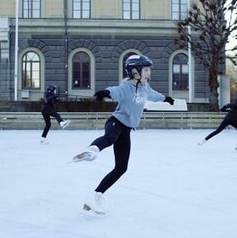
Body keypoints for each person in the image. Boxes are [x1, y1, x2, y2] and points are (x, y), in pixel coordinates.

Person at [72, 54, 175, 214]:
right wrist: (105, 92)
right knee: (109, 138)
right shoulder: (127, 86)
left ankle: (94, 196)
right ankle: (92, 150)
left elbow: (153, 94)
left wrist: (166, 98)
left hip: (127, 130)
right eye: (146, 70)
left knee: (121, 167)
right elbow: (116, 91)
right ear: (135, 72)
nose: (149, 73)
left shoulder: (145, 87)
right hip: (116, 122)